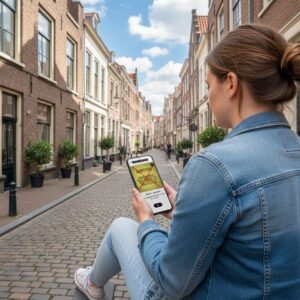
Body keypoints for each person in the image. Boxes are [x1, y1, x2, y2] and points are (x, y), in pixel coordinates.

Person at [74, 24, 300, 299]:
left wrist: (146, 221)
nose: (208, 94)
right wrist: (182, 210)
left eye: (208, 85)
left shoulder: (214, 164)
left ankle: (92, 284)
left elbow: (171, 281)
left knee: (121, 227)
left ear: (230, 84)